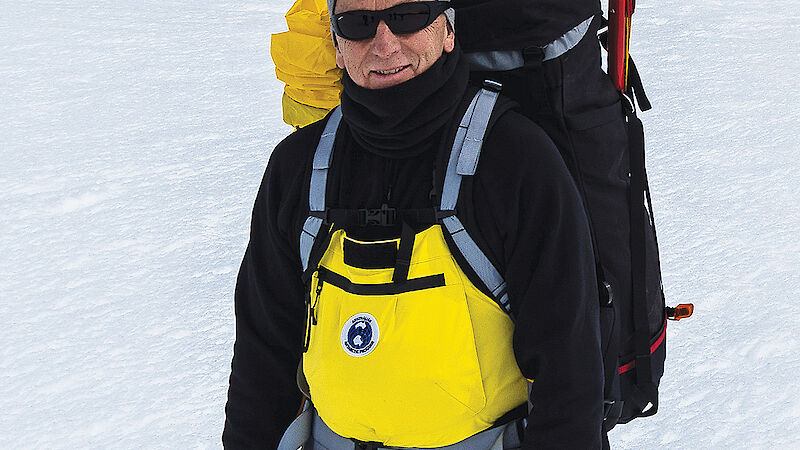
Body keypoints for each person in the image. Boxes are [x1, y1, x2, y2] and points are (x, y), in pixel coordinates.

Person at [223, 0, 604, 448]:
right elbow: (261, 359)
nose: (384, 44)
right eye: (358, 24)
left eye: (408, 17)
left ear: (447, 32)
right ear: (337, 44)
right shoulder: (298, 167)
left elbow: (569, 373)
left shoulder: (515, 159)